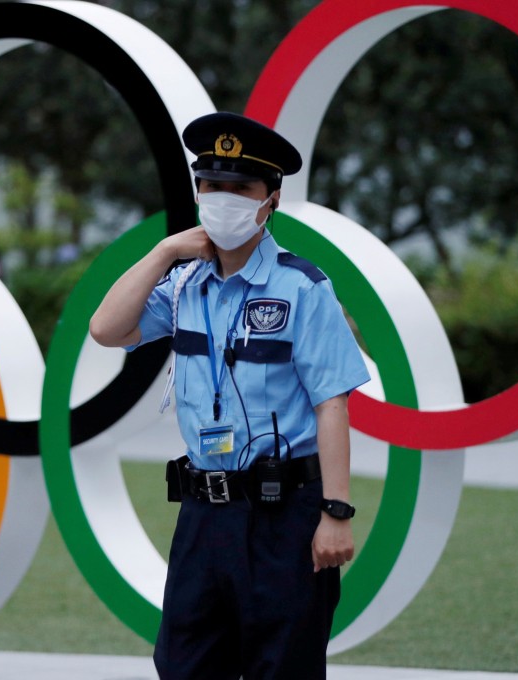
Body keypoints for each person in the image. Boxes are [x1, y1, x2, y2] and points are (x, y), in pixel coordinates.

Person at [89, 111, 370, 680]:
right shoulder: (183, 284)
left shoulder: (303, 286)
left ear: (271, 200)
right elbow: (107, 328)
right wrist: (165, 251)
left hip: (285, 516)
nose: (223, 200)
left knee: (283, 667)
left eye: (240, 188)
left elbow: (332, 403)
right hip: (203, 515)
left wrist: (335, 512)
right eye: (211, 186)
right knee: (184, 666)